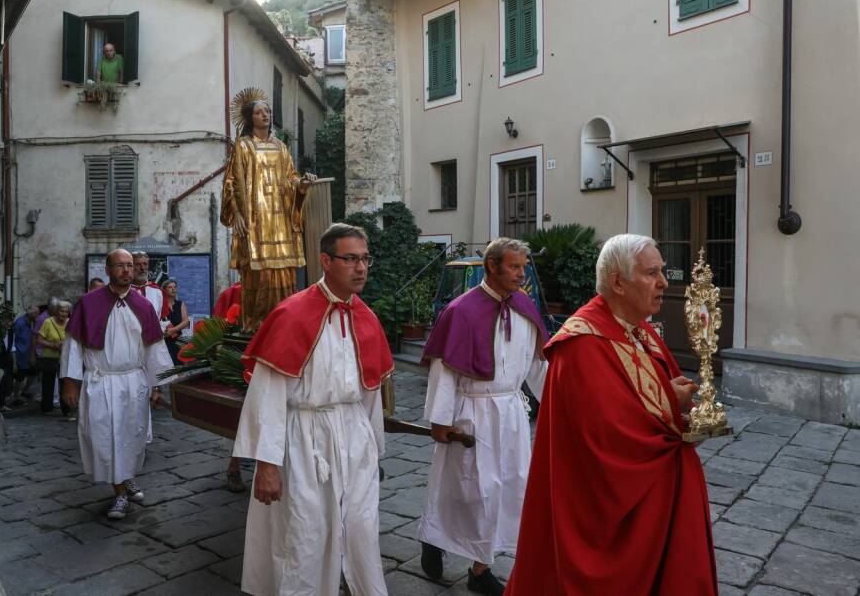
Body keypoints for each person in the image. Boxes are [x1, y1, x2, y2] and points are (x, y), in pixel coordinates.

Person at [504, 234, 716, 595]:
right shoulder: (582, 344)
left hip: (662, 499)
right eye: (651, 273)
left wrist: (677, 397)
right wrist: (670, 399)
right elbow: (607, 437)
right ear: (618, 282)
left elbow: (644, 395)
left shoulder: (638, 328)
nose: (664, 282)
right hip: (613, 515)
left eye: (662, 272)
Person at [233, 223, 394, 596]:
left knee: (361, 530)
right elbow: (267, 395)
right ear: (326, 260)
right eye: (350, 259)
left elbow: (369, 393)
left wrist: (374, 451)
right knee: (303, 535)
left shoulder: (366, 317)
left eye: (365, 259)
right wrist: (267, 465)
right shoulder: (292, 314)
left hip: (353, 437)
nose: (361, 268)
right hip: (303, 441)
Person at [417, 238, 548, 595]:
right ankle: (436, 537)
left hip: (510, 413)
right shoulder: (460, 311)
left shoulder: (525, 308)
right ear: (492, 266)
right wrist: (440, 420)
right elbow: (444, 370)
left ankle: (480, 568)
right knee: (467, 489)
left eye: (524, 267)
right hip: (470, 412)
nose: (522, 274)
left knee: (506, 488)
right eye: (514, 267)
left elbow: (538, 365)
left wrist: (556, 402)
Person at [60, 249, 171, 520]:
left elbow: (154, 349)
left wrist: (157, 386)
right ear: (107, 270)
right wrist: (69, 383)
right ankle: (120, 493)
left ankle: (125, 477)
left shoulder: (143, 306)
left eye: (129, 266)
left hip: (134, 382)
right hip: (101, 380)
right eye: (120, 266)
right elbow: (73, 346)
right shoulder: (88, 303)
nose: (126, 271)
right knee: (104, 437)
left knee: (133, 436)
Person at [221, 87, 315, 331]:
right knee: (259, 274)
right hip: (255, 221)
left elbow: (291, 178)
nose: (265, 115)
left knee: (284, 272)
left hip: (280, 220)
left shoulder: (282, 148)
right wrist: (238, 213)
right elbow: (231, 182)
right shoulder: (243, 146)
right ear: (250, 117)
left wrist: (302, 185)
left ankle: (284, 323)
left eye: (268, 111)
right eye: (259, 112)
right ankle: (255, 325)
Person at [36, 300, 72, 417]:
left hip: (64, 357)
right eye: (62, 311)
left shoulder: (70, 323)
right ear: (57, 311)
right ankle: (47, 408)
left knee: (64, 383)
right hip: (49, 357)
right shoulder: (48, 322)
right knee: (48, 383)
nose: (64, 314)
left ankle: (66, 409)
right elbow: (39, 340)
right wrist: (53, 345)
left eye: (66, 312)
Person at [9, 305, 39, 405]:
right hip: (20, 355)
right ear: (31, 314)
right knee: (19, 377)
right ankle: (16, 397)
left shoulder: (31, 323)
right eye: (36, 313)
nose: (38, 316)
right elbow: (13, 339)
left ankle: (24, 392)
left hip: (28, 354)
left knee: (33, 373)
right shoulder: (20, 323)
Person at [161, 280, 189, 365]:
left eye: (174, 287)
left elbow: (186, 321)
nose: (173, 289)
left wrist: (173, 330)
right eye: (170, 287)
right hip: (165, 341)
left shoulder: (180, 304)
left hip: (178, 340)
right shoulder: (160, 304)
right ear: (164, 290)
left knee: (180, 366)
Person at [131, 252, 163, 318]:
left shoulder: (157, 292)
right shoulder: (122, 290)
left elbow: (158, 318)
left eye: (145, 264)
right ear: (130, 267)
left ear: (148, 266)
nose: (142, 268)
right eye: (137, 264)